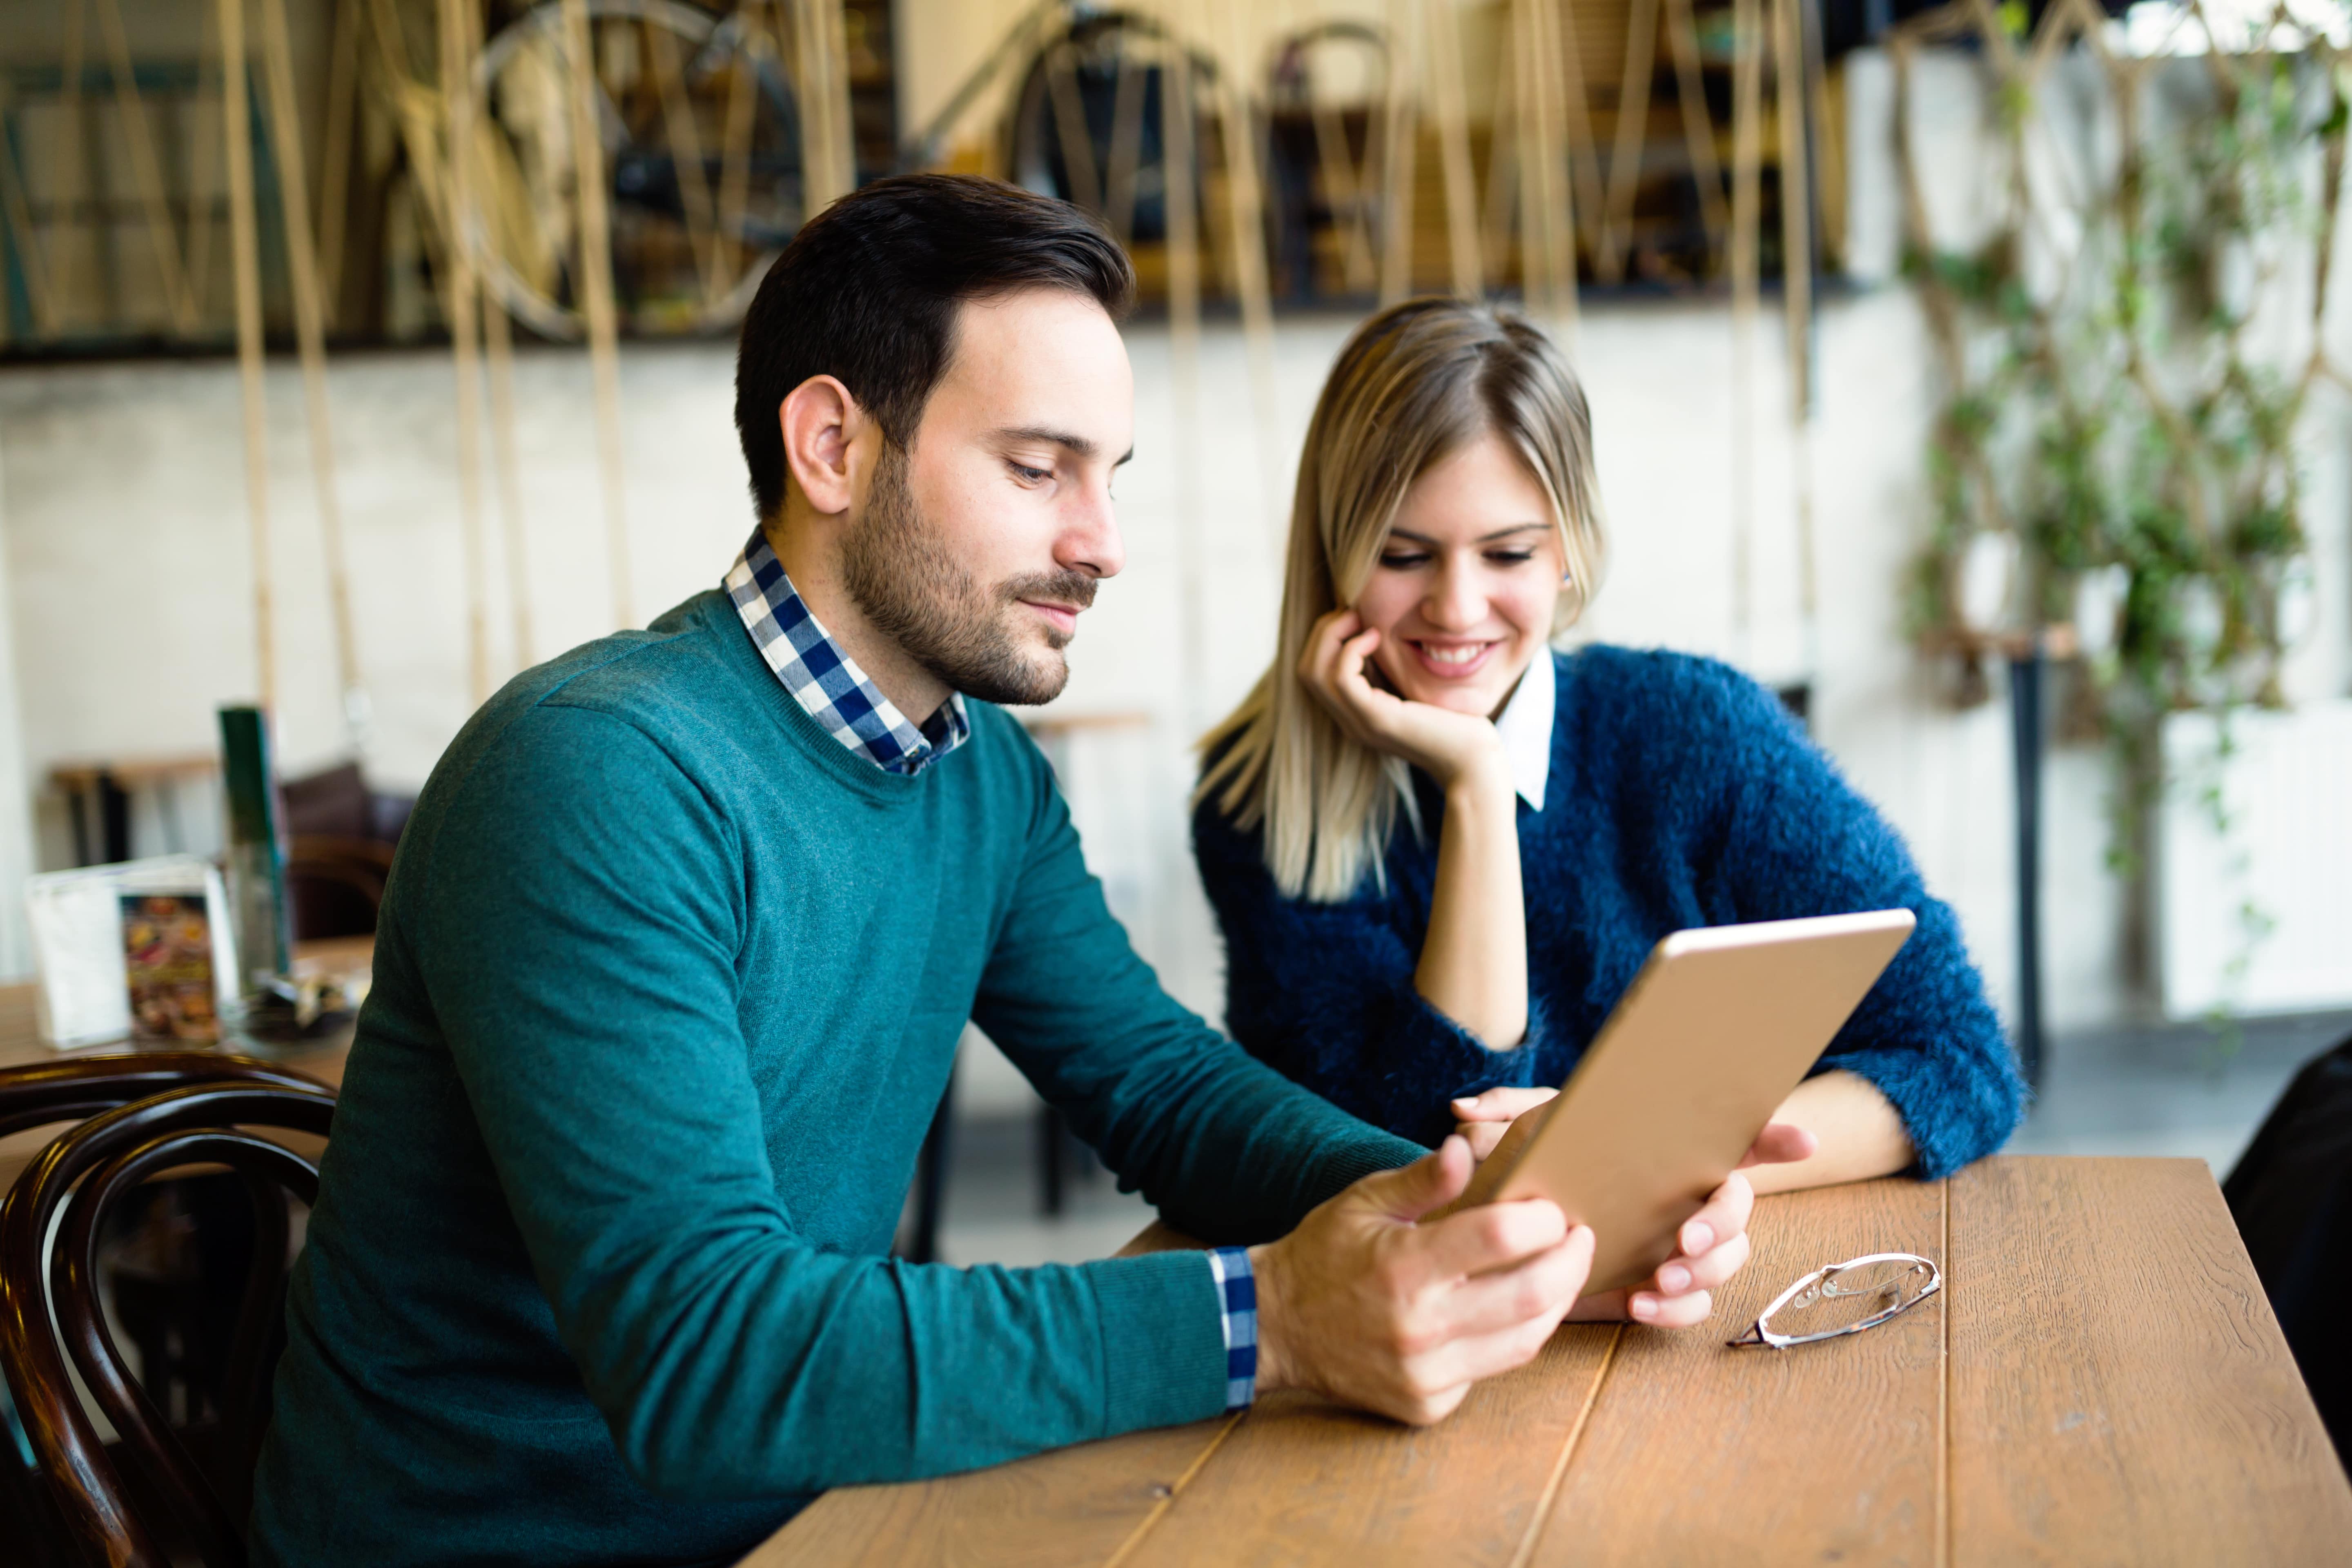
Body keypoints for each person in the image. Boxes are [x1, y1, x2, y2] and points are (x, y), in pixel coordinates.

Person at [247, 179, 1783, 1568]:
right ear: (834, 445)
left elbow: (1165, 1092)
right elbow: (706, 1358)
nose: (1104, 542)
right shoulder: (595, 775)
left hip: (818, 1514)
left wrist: (1480, 1211)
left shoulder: (974, 772)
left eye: (1109, 474)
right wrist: (1280, 1319)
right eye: (1041, 469)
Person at [1193, 298, 2024, 1258]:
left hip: (1713, 1280)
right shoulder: (1256, 807)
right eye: (1401, 554)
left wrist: (1680, 1174)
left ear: (1570, 557)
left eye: (1508, 553)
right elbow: (1417, 1160)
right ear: (1332, 553)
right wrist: (1475, 788)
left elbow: (1960, 1062)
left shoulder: (1695, 733)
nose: (1457, 607)